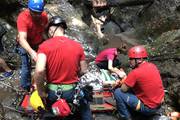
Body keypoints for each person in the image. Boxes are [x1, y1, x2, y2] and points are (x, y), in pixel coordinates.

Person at [33, 16, 92, 120]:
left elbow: (39, 71)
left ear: (51, 30)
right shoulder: (77, 46)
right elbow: (84, 70)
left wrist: (41, 91)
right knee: (84, 106)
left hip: (52, 93)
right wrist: (74, 75)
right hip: (72, 92)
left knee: (52, 113)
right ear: (63, 28)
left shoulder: (44, 46)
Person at [113, 45, 165, 120]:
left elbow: (123, 89)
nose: (130, 61)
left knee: (118, 92)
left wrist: (124, 80)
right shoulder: (152, 66)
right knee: (132, 89)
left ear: (139, 60)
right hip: (159, 104)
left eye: (131, 59)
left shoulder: (135, 72)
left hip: (149, 109)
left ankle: (126, 118)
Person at [16, 0, 48, 91]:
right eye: (34, 12)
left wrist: (50, 42)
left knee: (42, 63)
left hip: (38, 41)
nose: (36, 15)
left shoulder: (44, 16)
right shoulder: (23, 18)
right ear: (29, 9)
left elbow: (44, 32)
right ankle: (24, 87)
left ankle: (36, 84)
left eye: (39, 13)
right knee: (26, 66)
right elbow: (22, 38)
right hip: (24, 44)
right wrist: (31, 52)